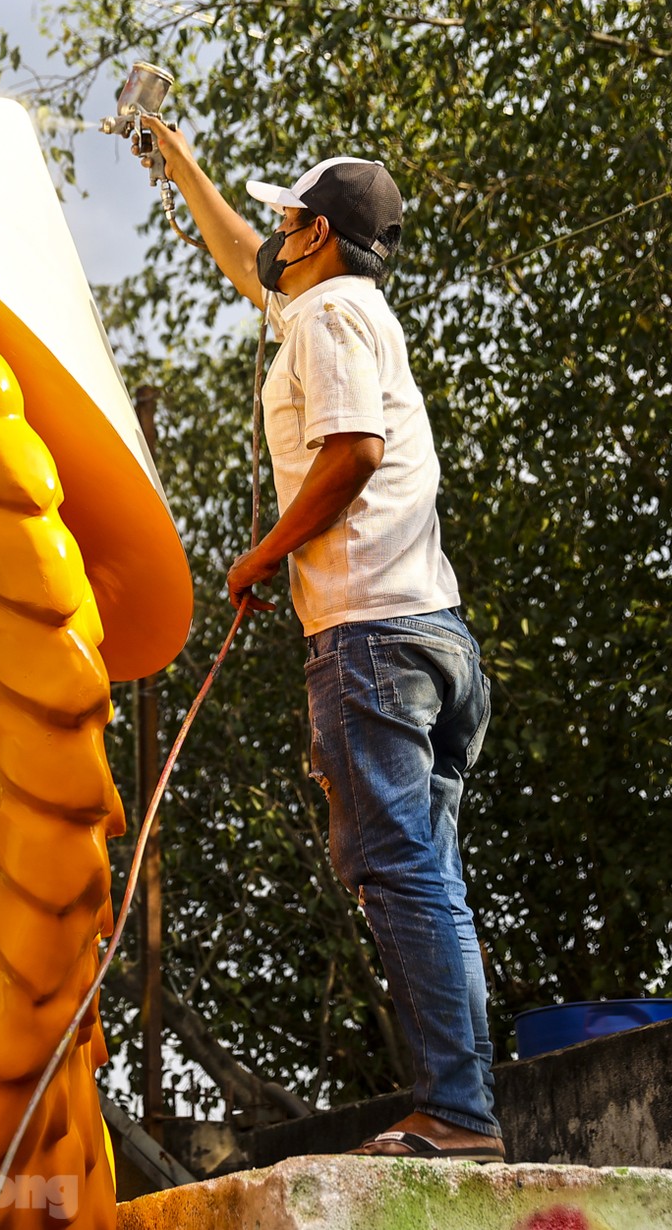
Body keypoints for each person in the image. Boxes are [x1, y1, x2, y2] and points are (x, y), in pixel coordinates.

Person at [136, 116, 503, 1161]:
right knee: (431, 876)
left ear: (317, 234)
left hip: (375, 640)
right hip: (429, 634)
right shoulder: (336, 303)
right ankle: (464, 1102)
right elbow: (231, 249)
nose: (273, 232)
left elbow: (349, 452)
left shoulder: (327, 316)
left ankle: (456, 1113)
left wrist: (261, 555)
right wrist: (175, 157)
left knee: (398, 872)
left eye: (287, 217)